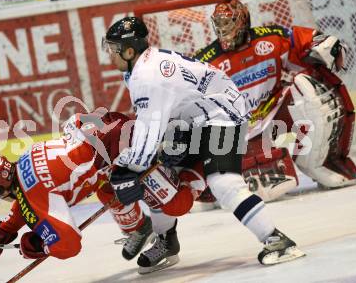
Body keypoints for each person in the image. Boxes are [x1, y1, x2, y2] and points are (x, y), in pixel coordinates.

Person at [102, 16, 305, 274]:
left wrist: (128, 169)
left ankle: (277, 241)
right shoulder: (139, 68)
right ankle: (167, 242)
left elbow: (148, 128)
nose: (110, 55)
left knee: (223, 183)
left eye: (113, 49)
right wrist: (139, 165)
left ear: (129, 50)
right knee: (157, 176)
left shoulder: (148, 75)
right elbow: (157, 119)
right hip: (195, 121)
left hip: (223, 117)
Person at [193, 0, 356, 202]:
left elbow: (301, 41)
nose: (223, 29)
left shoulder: (271, 39)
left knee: (306, 86)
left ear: (242, 20)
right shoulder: (205, 62)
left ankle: (319, 163)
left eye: (228, 22)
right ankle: (206, 187)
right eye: (219, 23)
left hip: (272, 114)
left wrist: (322, 43)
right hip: (238, 132)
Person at [0, 111, 156, 261]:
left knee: (170, 196)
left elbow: (69, 244)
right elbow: (29, 198)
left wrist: (38, 246)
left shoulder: (34, 196)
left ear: (1, 189)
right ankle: (142, 227)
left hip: (116, 152)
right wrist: (4, 230)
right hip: (103, 127)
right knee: (107, 190)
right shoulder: (26, 156)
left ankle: (165, 233)